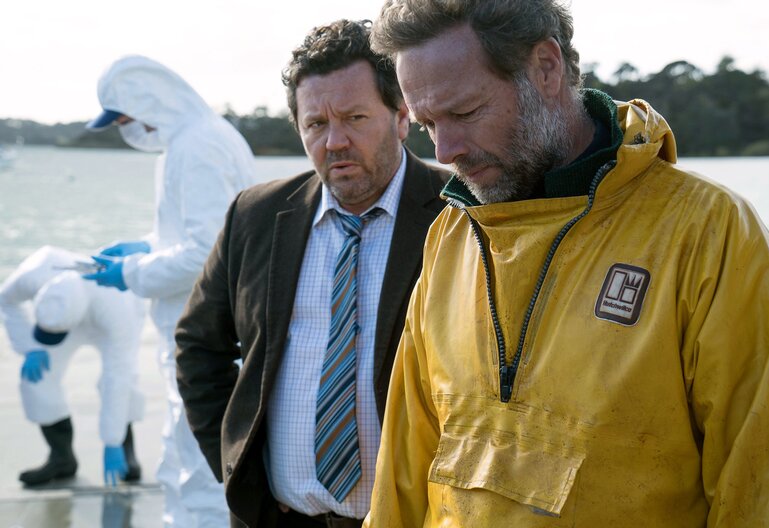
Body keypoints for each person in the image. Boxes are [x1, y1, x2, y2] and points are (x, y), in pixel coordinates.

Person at [364, 1, 769, 526]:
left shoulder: (710, 231)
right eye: (427, 125)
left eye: (465, 112)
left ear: (546, 68)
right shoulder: (452, 235)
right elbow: (404, 471)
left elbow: (765, 483)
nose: (445, 150)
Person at [173, 19, 448, 528]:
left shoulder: (460, 213)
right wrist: (237, 469)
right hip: (278, 517)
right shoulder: (255, 216)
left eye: (355, 118)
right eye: (316, 124)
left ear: (401, 116)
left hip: (415, 518)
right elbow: (199, 346)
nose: (335, 141)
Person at [82, 55, 256, 527]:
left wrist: (132, 271)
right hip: (194, 337)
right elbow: (195, 234)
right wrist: (147, 246)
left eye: (124, 118)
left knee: (200, 475)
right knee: (180, 462)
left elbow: (206, 252)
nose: (127, 129)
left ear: (148, 102)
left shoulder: (197, 146)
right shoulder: (193, 140)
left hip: (205, 338)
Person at [0, 246, 145, 487]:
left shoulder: (118, 310)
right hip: (68, 317)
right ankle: (62, 458)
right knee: (37, 379)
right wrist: (29, 347)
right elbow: (5, 299)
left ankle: (124, 449)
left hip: (108, 321)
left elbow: (116, 377)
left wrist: (111, 440)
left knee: (124, 381)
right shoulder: (35, 271)